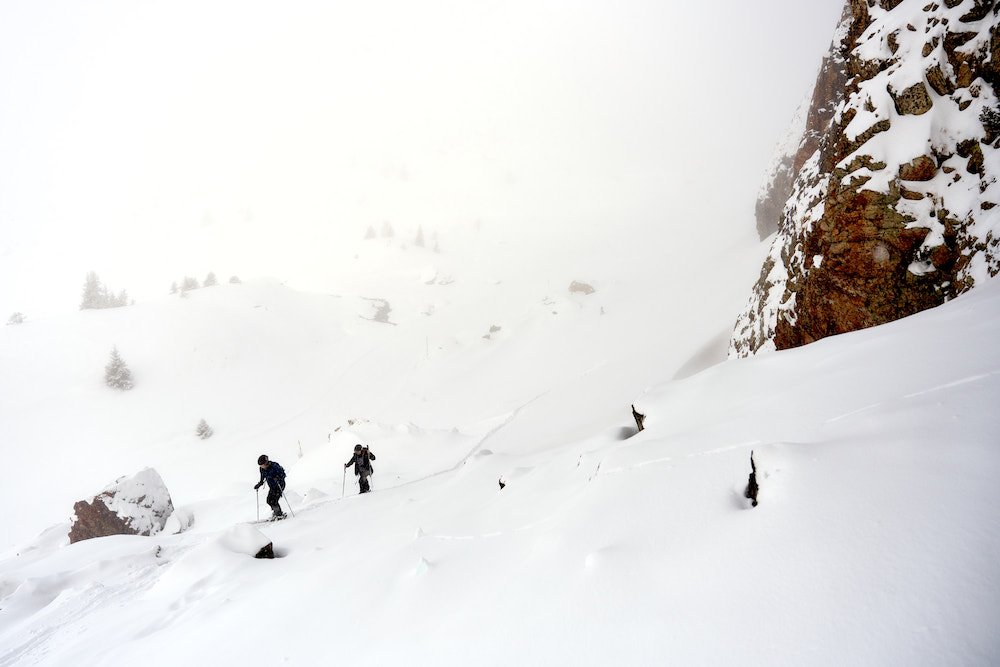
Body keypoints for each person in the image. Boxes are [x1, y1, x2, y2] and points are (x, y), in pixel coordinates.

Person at [254, 454, 287, 519]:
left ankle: (279, 514)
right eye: (260, 465)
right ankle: (276, 512)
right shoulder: (262, 469)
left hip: (279, 485)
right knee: (269, 500)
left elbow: (283, 474)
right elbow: (262, 478)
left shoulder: (274, 466)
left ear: (266, 462)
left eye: (262, 465)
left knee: (274, 501)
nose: (262, 467)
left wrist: (278, 477)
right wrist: (259, 485)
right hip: (272, 486)